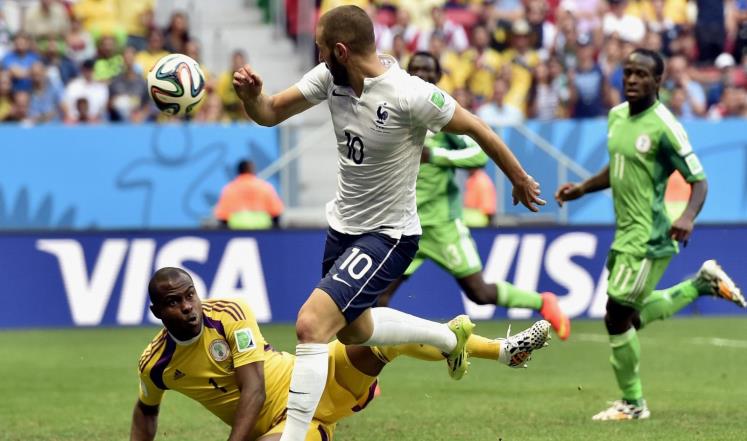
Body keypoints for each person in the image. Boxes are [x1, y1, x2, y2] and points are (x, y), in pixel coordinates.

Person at [232, 6, 545, 440]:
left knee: (311, 325)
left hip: (389, 235)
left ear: (341, 51)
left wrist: (518, 177)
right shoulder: (329, 78)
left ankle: (292, 436)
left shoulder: (410, 94)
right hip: (342, 230)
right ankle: (452, 340)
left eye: (321, 49)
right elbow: (268, 112)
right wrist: (251, 97)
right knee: (355, 331)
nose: (318, 57)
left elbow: (479, 129)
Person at [130, 267, 552, 441]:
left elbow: (253, 389)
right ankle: (457, 343)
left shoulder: (228, 314)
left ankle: (502, 351)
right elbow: (146, 411)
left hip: (319, 375)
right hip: (288, 426)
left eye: (190, 295)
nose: (188, 307)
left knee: (379, 333)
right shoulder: (156, 364)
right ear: (157, 312)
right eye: (174, 302)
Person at [555, 48, 746, 421]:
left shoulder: (665, 127)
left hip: (649, 235)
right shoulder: (616, 116)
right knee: (626, 316)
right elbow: (618, 165)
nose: (631, 79)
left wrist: (687, 216)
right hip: (625, 233)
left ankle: (633, 403)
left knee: (616, 316)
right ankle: (700, 285)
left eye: (641, 74)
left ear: (658, 81)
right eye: (628, 72)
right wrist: (582, 189)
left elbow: (699, 180)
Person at [377, 52, 570, 341]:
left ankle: (543, 302)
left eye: (427, 71)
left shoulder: (441, 114)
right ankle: (370, 368)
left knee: (479, 293)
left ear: (438, 77)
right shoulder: (396, 113)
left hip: (442, 225)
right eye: (415, 69)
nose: (420, 75)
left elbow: (478, 154)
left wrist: (436, 155)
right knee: (379, 299)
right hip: (405, 226)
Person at [213, 159, 284, 229]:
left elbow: (222, 215)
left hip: (237, 227)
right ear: (253, 171)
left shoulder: (230, 188)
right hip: (262, 226)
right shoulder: (265, 187)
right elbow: (276, 211)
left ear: (238, 172)